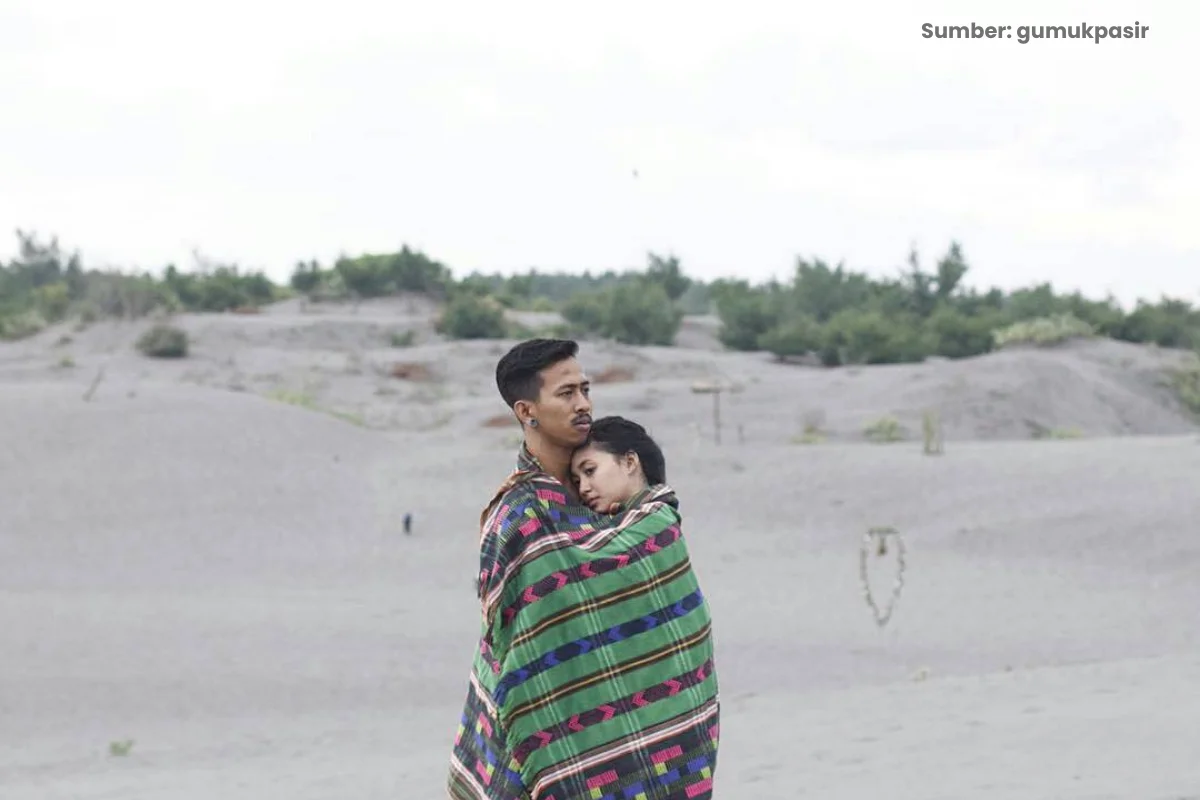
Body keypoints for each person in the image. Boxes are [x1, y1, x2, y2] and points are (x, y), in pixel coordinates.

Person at [447, 339, 720, 800]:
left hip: (652, 744)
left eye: (585, 389)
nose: (583, 404)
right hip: (548, 747)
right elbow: (513, 648)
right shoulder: (516, 517)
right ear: (526, 410)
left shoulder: (617, 502)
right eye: (566, 393)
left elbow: (673, 623)